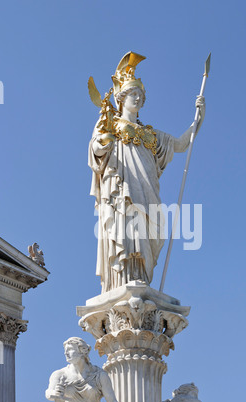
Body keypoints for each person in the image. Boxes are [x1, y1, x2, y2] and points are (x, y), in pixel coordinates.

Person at [88, 51, 205, 293]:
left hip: (147, 189)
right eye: (133, 93)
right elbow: (95, 150)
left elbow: (181, 144)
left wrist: (198, 120)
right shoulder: (111, 126)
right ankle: (123, 279)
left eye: (141, 95)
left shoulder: (152, 135)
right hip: (123, 190)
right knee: (126, 228)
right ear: (121, 98)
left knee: (147, 230)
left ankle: (141, 276)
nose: (138, 98)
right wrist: (103, 144)